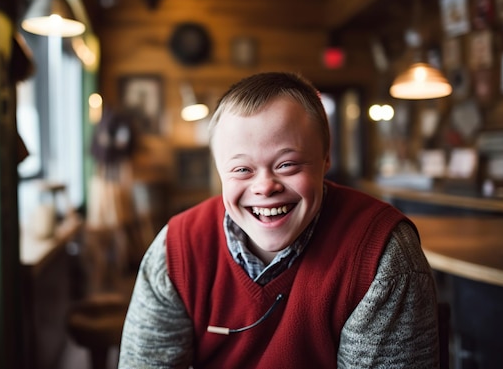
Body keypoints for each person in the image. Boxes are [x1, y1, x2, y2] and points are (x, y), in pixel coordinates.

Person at [118, 72, 439, 368]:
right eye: (242, 169)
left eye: (287, 165)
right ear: (219, 172)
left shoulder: (380, 254)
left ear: (326, 158)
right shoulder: (176, 250)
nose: (264, 187)